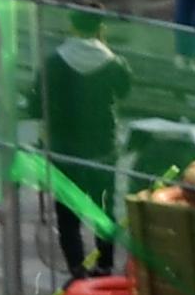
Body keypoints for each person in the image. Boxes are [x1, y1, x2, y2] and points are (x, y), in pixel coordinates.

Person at [39, 27, 132, 278]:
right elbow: (125, 91)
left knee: (67, 215)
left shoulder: (54, 62)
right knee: (103, 211)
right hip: (102, 150)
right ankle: (105, 266)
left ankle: (76, 270)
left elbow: (38, 102)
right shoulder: (114, 63)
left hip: (65, 151)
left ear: (71, 27)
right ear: (102, 29)